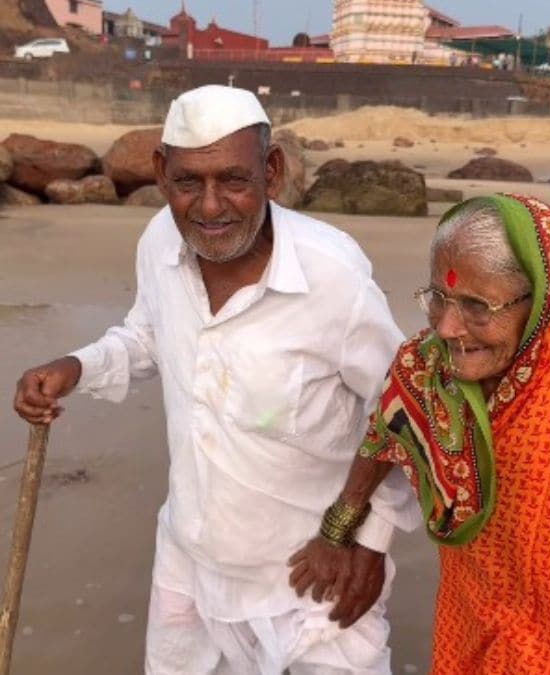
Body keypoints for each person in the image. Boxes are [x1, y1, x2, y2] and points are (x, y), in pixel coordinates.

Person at [11, 85, 418, 674]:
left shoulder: (334, 277)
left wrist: (370, 540)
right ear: (160, 173)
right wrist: (77, 367)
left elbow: (401, 407)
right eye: (186, 183)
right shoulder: (159, 240)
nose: (208, 206)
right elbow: (151, 333)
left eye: (233, 180)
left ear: (271, 170)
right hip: (190, 564)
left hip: (311, 575)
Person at [287, 194, 550, 674]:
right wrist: (340, 534)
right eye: (438, 297)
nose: (448, 327)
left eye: (477, 306)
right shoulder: (425, 368)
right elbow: (384, 434)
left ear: (543, 303)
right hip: (470, 609)